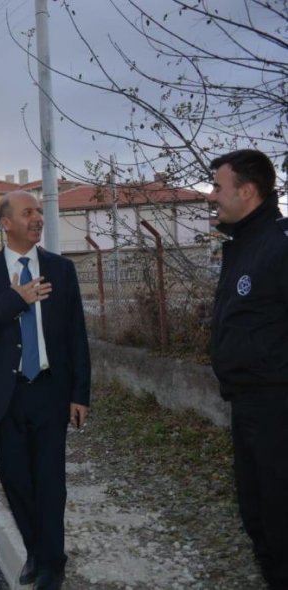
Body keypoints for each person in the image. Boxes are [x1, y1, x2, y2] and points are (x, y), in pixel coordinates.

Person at [0, 191, 90, 590]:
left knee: (50, 482)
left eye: (38, 212)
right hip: (7, 394)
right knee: (15, 479)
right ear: (6, 223)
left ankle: (52, 565)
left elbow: (76, 335)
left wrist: (80, 394)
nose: (37, 218)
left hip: (50, 391)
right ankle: (35, 549)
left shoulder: (61, 270)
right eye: (27, 212)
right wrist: (13, 301)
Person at [207, 149, 288, 589]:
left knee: (279, 516)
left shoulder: (279, 245)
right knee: (257, 514)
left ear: (248, 191)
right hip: (247, 404)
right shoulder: (243, 245)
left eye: (218, 187)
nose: (211, 196)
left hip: (278, 406)